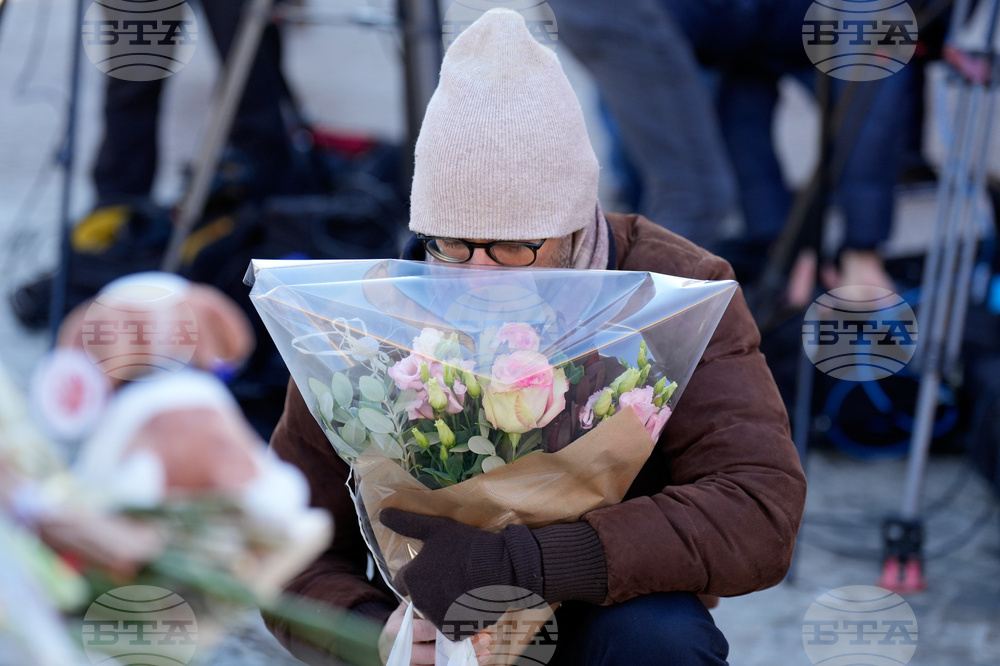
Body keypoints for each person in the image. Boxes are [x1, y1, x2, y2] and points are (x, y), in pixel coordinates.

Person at [265, 9, 805, 665]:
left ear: (576, 225)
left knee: (663, 639)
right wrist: (368, 628)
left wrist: (523, 561)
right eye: (454, 245)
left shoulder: (675, 287)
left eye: (515, 247)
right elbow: (285, 539)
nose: (480, 276)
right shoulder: (376, 314)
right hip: (434, 633)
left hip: (606, 611)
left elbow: (757, 511)